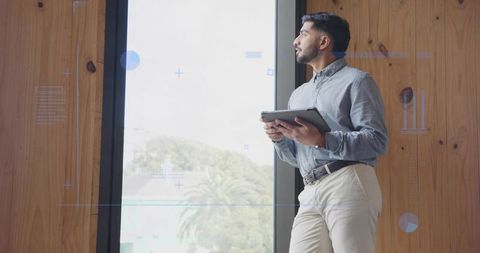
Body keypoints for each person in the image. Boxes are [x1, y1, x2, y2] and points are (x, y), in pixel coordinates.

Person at [261, 12, 388, 253]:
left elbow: (377, 140)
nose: (295, 41)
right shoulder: (299, 95)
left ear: (323, 42)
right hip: (310, 189)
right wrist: (280, 139)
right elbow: (299, 158)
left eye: (303, 34)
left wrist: (322, 139)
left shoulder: (357, 81)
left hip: (348, 181)